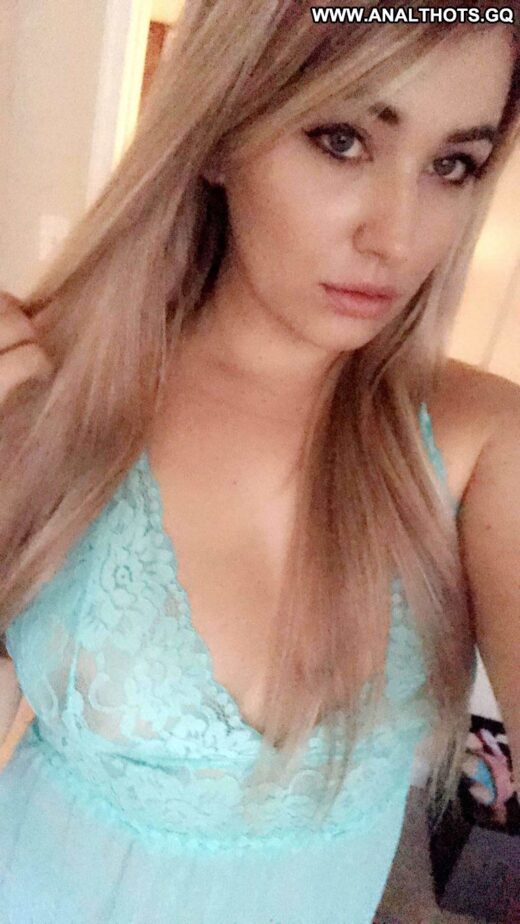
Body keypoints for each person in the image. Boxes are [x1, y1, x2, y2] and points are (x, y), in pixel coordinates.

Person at [0, 1, 519, 921]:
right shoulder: (48, 389)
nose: (397, 238)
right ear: (218, 133)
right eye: (342, 140)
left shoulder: (482, 442)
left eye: (452, 164)